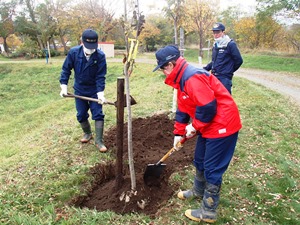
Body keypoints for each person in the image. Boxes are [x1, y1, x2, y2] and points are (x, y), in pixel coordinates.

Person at [153, 45, 242, 223]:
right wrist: (178, 132)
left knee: (212, 167)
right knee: (200, 159)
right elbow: (183, 107)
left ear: (170, 64)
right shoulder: (181, 78)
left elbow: (208, 106)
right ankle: (198, 190)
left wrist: (194, 126)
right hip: (209, 124)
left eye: (163, 68)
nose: (163, 72)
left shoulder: (192, 77)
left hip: (222, 124)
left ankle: (209, 210)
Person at [59, 29, 107, 152]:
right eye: (88, 47)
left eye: (93, 47)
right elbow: (66, 69)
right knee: (81, 114)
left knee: (98, 114)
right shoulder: (74, 53)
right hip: (79, 90)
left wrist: (100, 93)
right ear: (82, 42)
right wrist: (63, 86)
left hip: (93, 91)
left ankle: (99, 140)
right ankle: (87, 133)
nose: (91, 50)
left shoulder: (100, 56)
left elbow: (100, 76)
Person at [203, 22, 243, 94]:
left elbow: (239, 60)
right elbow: (214, 61)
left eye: (218, 32)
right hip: (214, 77)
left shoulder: (230, 44)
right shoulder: (215, 45)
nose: (216, 35)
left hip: (224, 79)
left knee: (225, 102)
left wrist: (229, 70)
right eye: (214, 32)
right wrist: (205, 69)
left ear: (223, 32)